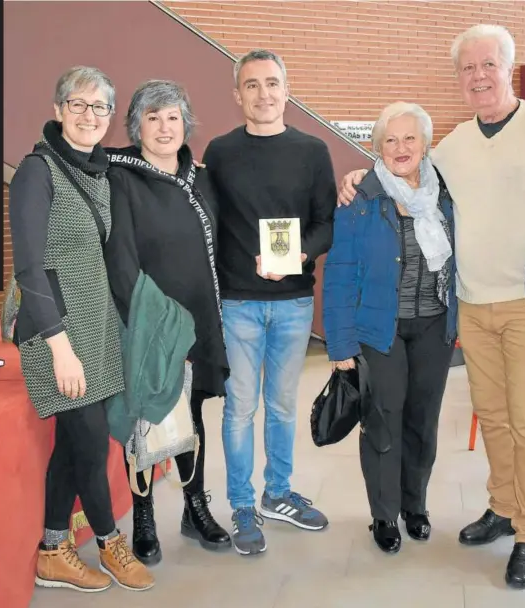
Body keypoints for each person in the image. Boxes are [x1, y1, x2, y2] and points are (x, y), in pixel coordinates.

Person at [336, 24, 525, 588]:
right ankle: (503, 508)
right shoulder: (453, 147)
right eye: (467, 68)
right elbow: (404, 178)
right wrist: (361, 176)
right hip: (472, 308)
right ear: (458, 78)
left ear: (509, 67)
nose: (478, 76)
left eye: (489, 65)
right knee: (497, 420)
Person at [9, 66, 154, 592]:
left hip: (95, 330)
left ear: (110, 118)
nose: (89, 115)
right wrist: (60, 349)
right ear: (58, 109)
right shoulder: (35, 172)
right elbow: (30, 268)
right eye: (78, 104)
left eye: (100, 108)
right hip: (56, 335)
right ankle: (112, 544)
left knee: (72, 447)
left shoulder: (99, 174)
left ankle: (52, 549)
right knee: (92, 444)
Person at [202, 49, 336, 556]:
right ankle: (241, 504)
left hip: (294, 301)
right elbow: (207, 219)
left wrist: (300, 254)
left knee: (280, 407)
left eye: (272, 83)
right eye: (252, 85)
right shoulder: (219, 152)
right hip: (237, 303)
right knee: (240, 408)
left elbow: (327, 223)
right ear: (238, 95)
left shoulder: (312, 150)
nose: (263, 93)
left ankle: (277, 493)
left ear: (286, 89)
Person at [104, 80, 231, 565]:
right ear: (137, 126)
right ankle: (143, 515)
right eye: (153, 118)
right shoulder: (121, 177)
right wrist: (146, 317)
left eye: (172, 117)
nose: (164, 127)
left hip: (197, 317)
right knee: (146, 414)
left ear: (185, 124)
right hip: (149, 319)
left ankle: (195, 507)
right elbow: (120, 256)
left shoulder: (199, 177)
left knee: (191, 415)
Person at [323, 102, 457, 555]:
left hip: (434, 327)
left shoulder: (447, 193)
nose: (401, 148)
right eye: (390, 140)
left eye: (410, 138)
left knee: (423, 422)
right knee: (382, 420)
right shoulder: (360, 198)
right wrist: (339, 342)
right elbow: (340, 270)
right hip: (379, 330)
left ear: (425, 143)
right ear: (376, 146)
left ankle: (414, 506)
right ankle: (384, 515)